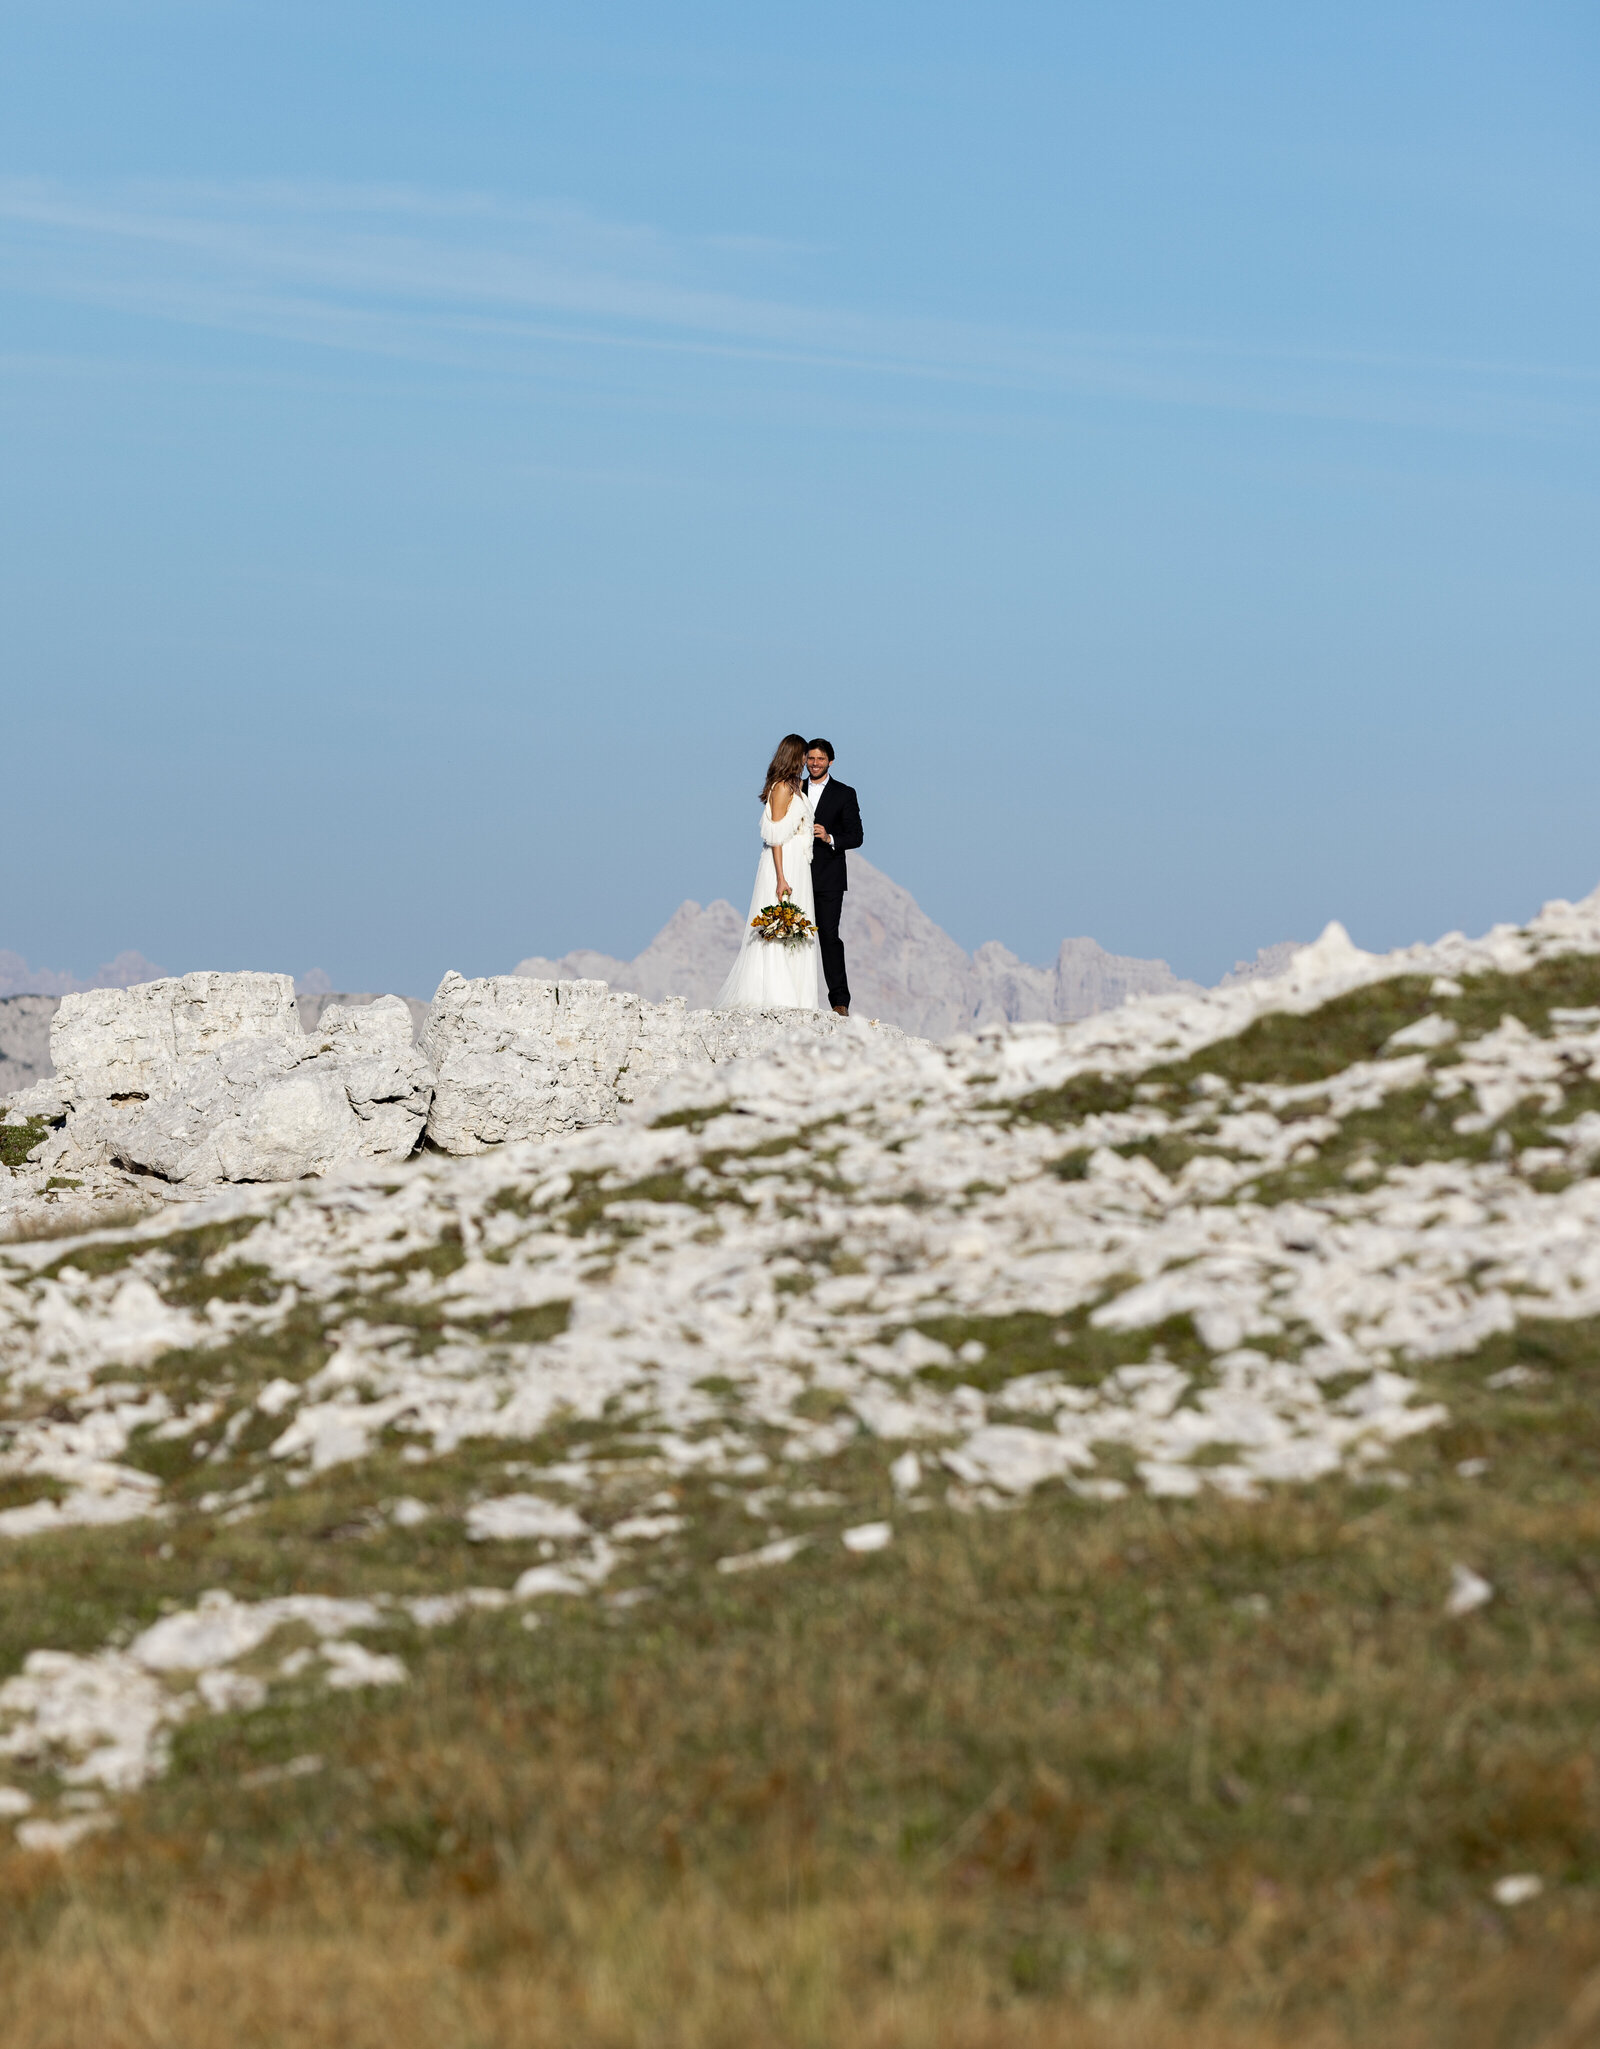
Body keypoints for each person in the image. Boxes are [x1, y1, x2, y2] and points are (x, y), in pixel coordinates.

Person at [713, 733, 824, 1012]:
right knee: (779, 925)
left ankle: (800, 995)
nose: (806, 761)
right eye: (803, 755)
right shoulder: (781, 788)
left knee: (799, 925)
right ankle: (778, 993)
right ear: (793, 755)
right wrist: (781, 876)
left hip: (799, 862)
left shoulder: (795, 786)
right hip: (783, 863)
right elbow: (775, 835)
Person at [802, 739, 864, 1016]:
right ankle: (797, 996)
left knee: (828, 936)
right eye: (811, 758)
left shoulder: (845, 793)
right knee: (793, 935)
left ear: (830, 762)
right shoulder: (793, 788)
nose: (815, 764)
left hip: (829, 877)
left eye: (821, 759)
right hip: (796, 874)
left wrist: (829, 837)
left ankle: (839, 1002)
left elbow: (857, 836)